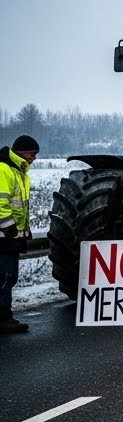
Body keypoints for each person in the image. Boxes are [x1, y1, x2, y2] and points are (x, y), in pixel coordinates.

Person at [0, 134, 40, 333]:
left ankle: (4, 316)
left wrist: (24, 232)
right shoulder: (4, 169)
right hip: (3, 237)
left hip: (10, 236)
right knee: (5, 276)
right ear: (21, 152)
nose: (34, 157)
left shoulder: (19, 172)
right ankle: (3, 318)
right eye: (32, 153)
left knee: (8, 276)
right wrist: (8, 228)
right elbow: (1, 203)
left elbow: (20, 208)